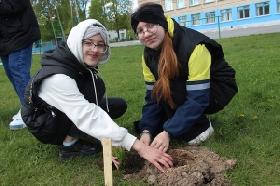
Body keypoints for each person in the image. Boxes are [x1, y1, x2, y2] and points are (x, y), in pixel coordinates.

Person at [21, 19, 173, 172]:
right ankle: (69, 146)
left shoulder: (76, 61)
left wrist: (108, 140)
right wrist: (140, 147)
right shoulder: (58, 78)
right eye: (88, 43)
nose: (95, 50)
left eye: (100, 44)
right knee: (90, 118)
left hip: (66, 110)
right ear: (77, 42)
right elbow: (88, 116)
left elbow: (91, 103)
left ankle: (84, 136)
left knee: (117, 105)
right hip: (44, 123)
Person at [131, 3, 238, 152]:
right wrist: (146, 130)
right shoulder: (147, 55)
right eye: (140, 30)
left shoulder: (194, 46)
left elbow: (198, 97)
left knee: (172, 87)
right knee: (161, 90)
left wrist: (168, 132)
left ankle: (202, 128)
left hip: (216, 88)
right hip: (187, 87)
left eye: (150, 25)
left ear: (162, 23)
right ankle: (174, 122)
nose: (146, 33)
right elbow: (152, 97)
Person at [0, 0, 41, 130]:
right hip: (4, 39)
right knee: (11, 72)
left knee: (17, 69)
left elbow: (15, 6)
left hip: (20, 34)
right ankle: (29, 105)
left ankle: (31, 112)